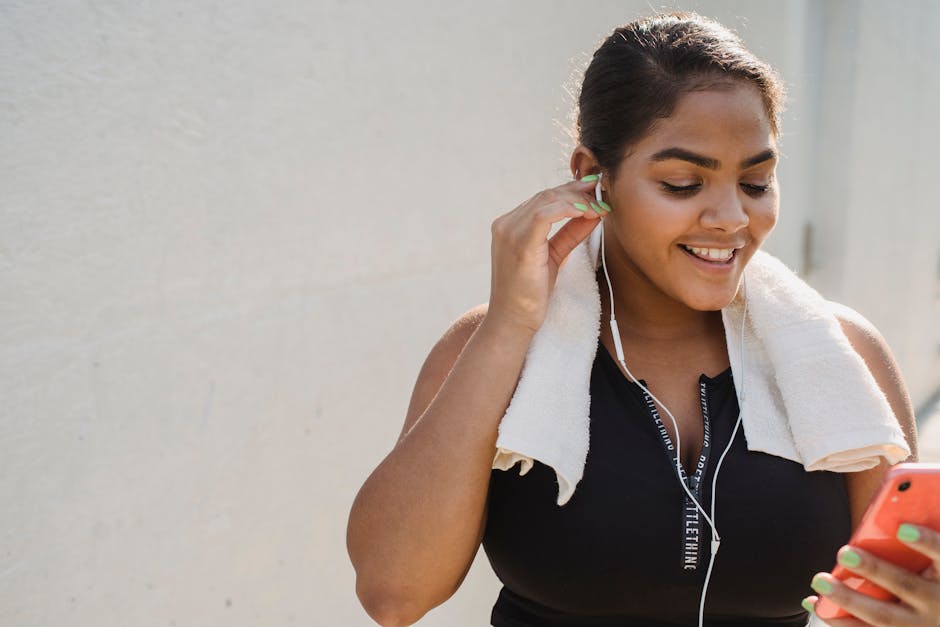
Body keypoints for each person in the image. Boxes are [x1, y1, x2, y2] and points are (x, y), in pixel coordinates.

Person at [346, 11, 938, 627]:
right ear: (591, 179)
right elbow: (393, 594)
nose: (732, 217)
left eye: (757, 181)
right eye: (683, 183)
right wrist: (508, 326)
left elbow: (891, 602)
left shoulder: (844, 356)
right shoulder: (493, 346)